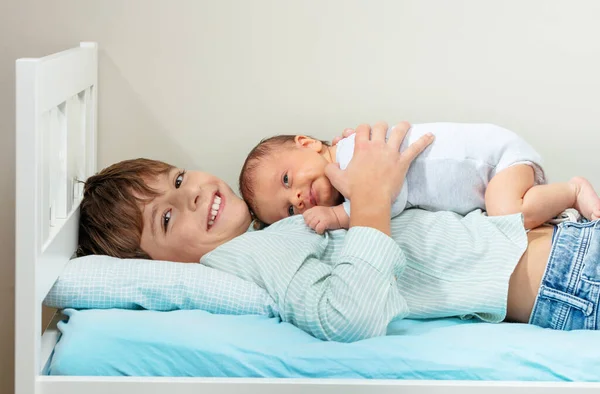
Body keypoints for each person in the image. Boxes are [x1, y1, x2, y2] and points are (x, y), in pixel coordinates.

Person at [78, 122, 600, 342]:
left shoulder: (273, 228)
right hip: (563, 279)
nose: (189, 195)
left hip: (565, 246)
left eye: (176, 179)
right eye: (166, 218)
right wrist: (371, 197)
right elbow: (347, 316)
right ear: (156, 265)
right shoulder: (249, 258)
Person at [238, 122, 600, 233]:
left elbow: (387, 198)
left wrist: (338, 217)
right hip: (487, 174)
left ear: (307, 144)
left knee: (506, 216)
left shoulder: (353, 153)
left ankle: (571, 190)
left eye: (286, 180)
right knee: (505, 220)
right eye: (288, 211)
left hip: (494, 160)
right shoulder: (350, 171)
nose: (297, 200)